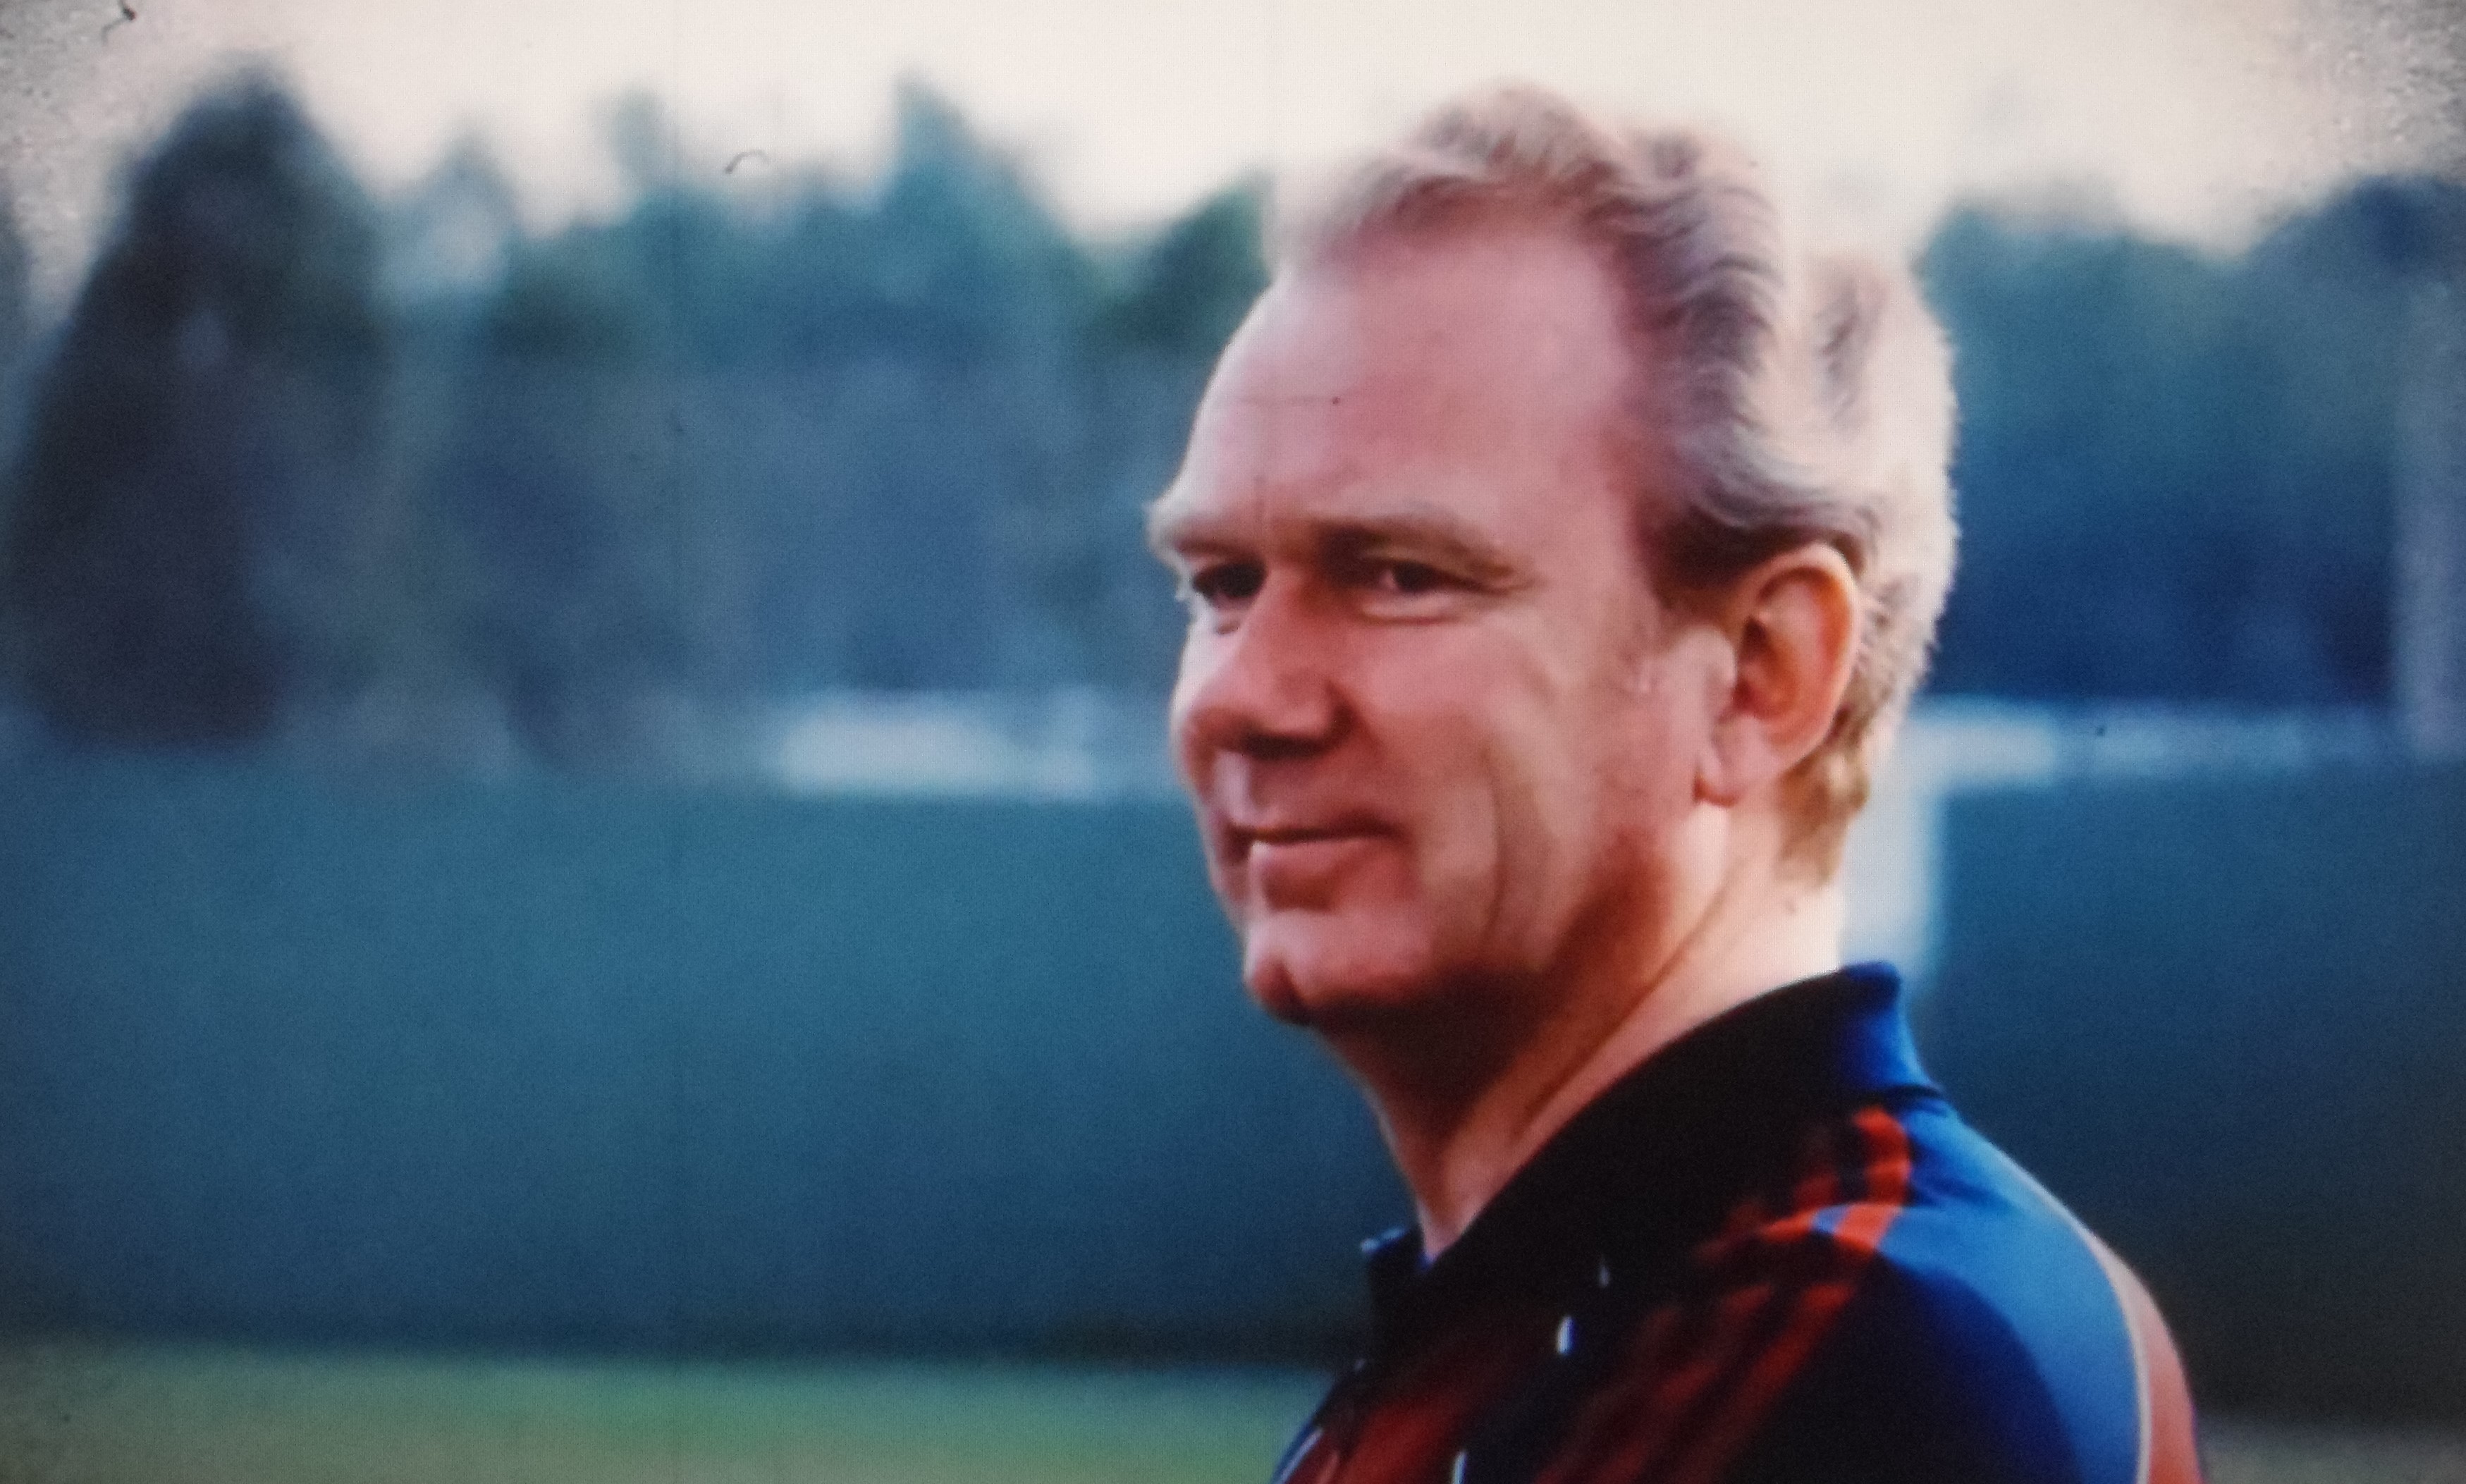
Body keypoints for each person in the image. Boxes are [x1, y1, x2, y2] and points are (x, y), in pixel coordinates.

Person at [1147, 85, 2202, 1484]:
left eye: (1399, 575)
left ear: (1764, 670)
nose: (1239, 697)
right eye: (1222, 584)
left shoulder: (1857, 1334)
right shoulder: (1560, 1319)